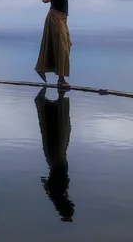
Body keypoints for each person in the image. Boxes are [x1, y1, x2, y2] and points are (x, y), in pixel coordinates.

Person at [34, 86, 75, 222]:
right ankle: (58, 104)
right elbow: (49, 184)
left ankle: (57, 104)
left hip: (59, 164)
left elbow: (52, 182)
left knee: (56, 141)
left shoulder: (58, 194)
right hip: (57, 164)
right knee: (56, 141)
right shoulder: (57, 194)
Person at [35, 0, 75, 88]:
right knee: (62, 47)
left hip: (63, 19)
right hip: (55, 17)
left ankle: (42, 68)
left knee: (67, 45)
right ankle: (61, 79)